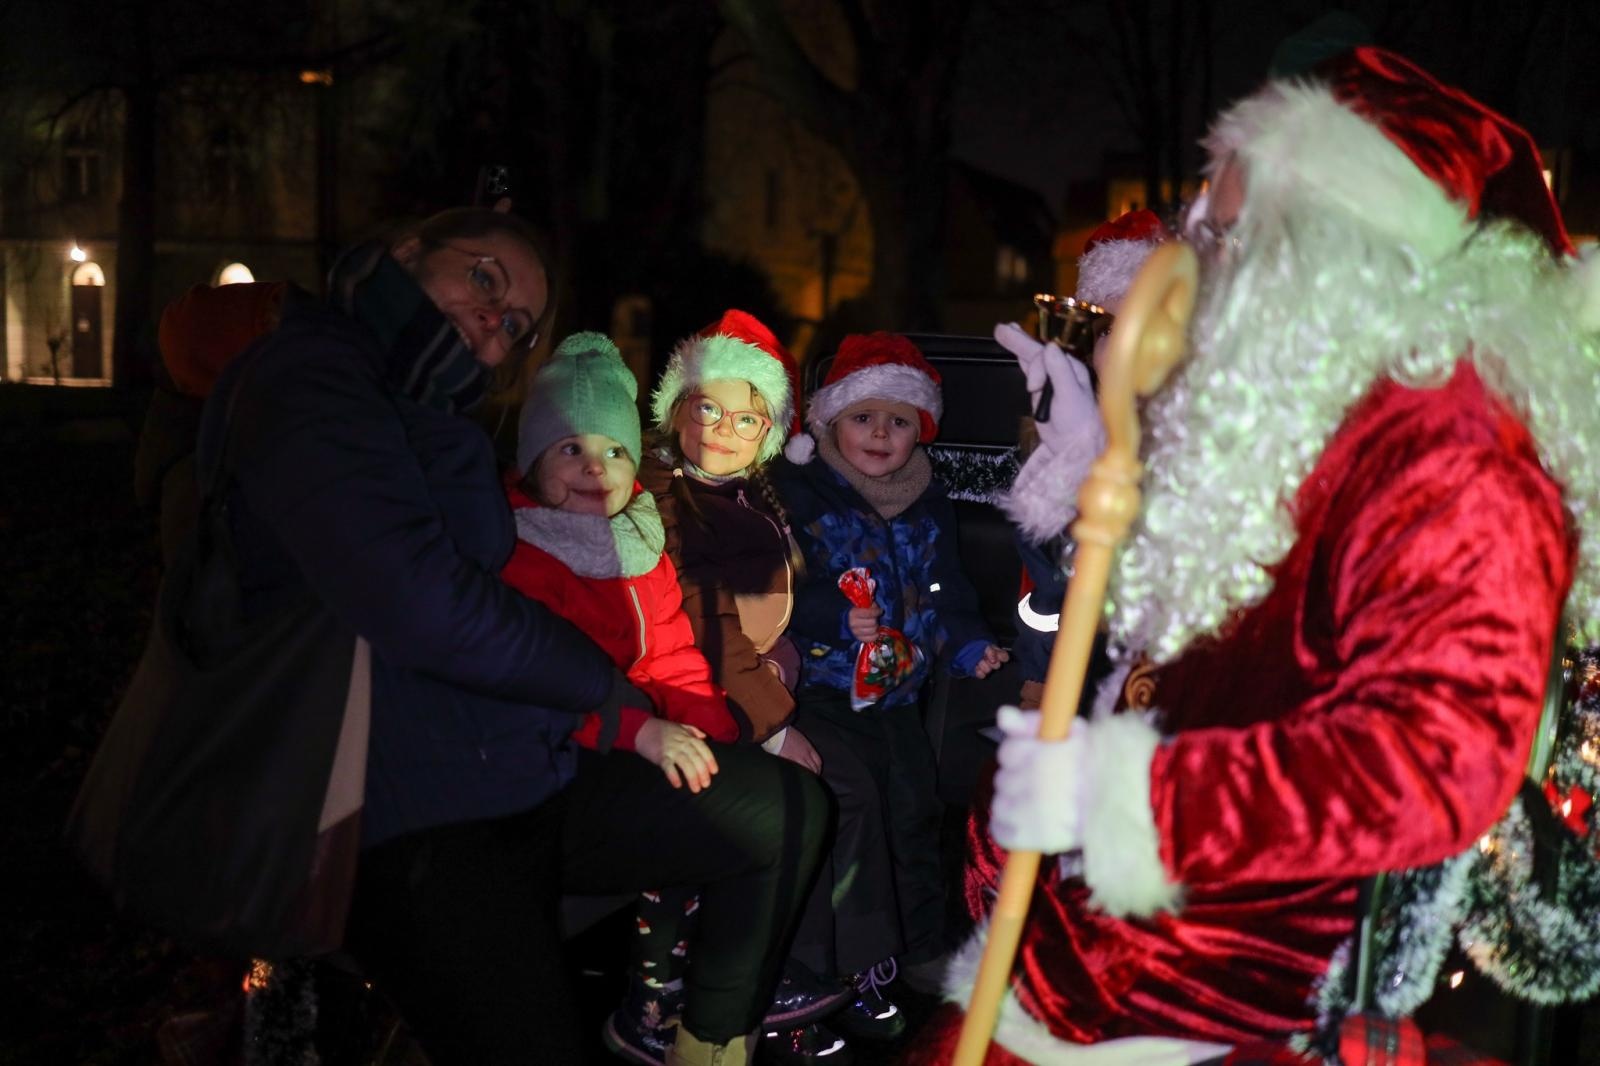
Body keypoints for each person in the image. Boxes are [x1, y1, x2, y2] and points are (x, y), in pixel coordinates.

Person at [911, 47, 1600, 1063]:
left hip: (1225, 999)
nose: (1204, 264)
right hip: (1115, 958)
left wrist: (1127, 795)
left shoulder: (1453, 451)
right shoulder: (1309, 411)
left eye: (1235, 234)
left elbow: (1435, 757)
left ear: (1337, 250)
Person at [194, 207, 830, 1066]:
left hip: (510, 767)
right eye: (486, 279)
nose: (496, 322)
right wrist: (615, 699)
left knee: (780, 806)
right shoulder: (311, 379)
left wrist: (690, 722)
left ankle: (711, 1044)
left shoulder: (425, 405)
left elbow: (668, 637)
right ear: (406, 250)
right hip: (392, 808)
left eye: (517, 324)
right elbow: (422, 603)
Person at [642, 309, 901, 1062]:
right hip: (696, 697)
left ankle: (838, 966)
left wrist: (808, 646)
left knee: (858, 773)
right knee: (823, 789)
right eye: (709, 409)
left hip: (756, 685)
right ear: (676, 410)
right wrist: (777, 722)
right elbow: (706, 623)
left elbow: (780, 598)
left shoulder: (751, 496)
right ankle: (794, 969)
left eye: (749, 419)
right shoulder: (665, 499)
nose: (726, 430)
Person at [774, 333, 1009, 996]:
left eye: (899, 422)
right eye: (863, 418)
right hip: (820, 688)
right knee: (862, 808)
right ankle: (854, 953)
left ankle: (923, 945)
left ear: (920, 433)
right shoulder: (802, 494)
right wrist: (830, 615)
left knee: (915, 807)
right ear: (828, 422)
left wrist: (967, 644)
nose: (881, 434)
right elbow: (779, 589)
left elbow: (945, 587)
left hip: (898, 695)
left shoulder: (924, 498)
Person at [999, 209, 1169, 710]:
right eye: (1110, 332)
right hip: (1084, 675)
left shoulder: (1213, 440)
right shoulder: (1056, 437)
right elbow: (1043, 588)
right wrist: (1039, 674)